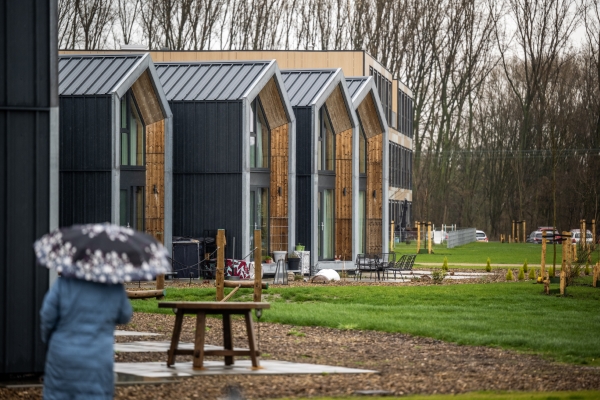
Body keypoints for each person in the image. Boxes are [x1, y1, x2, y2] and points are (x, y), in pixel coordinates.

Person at [40, 277, 132, 399]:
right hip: (98, 357)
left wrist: (48, 340)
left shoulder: (63, 284)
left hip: (62, 354)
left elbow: (47, 316)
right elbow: (125, 315)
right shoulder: (114, 287)